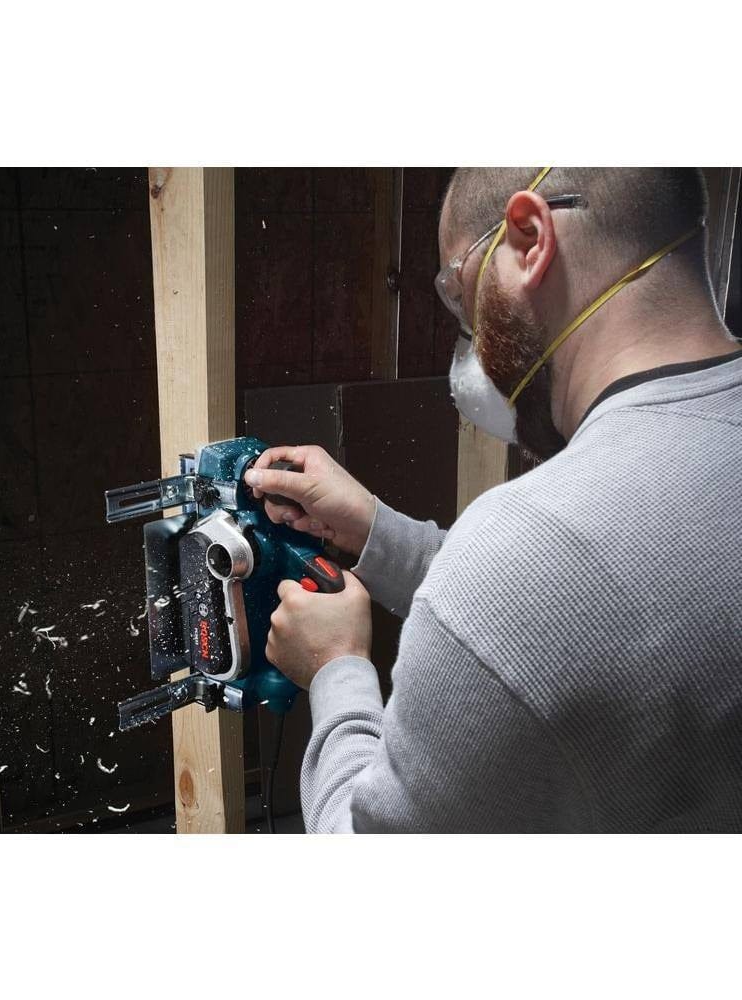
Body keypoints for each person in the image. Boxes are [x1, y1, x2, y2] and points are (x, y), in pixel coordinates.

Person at [246, 167, 742, 832]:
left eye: (462, 291)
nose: (473, 335)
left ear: (530, 237)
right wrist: (374, 531)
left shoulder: (525, 551)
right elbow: (588, 608)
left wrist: (336, 669)